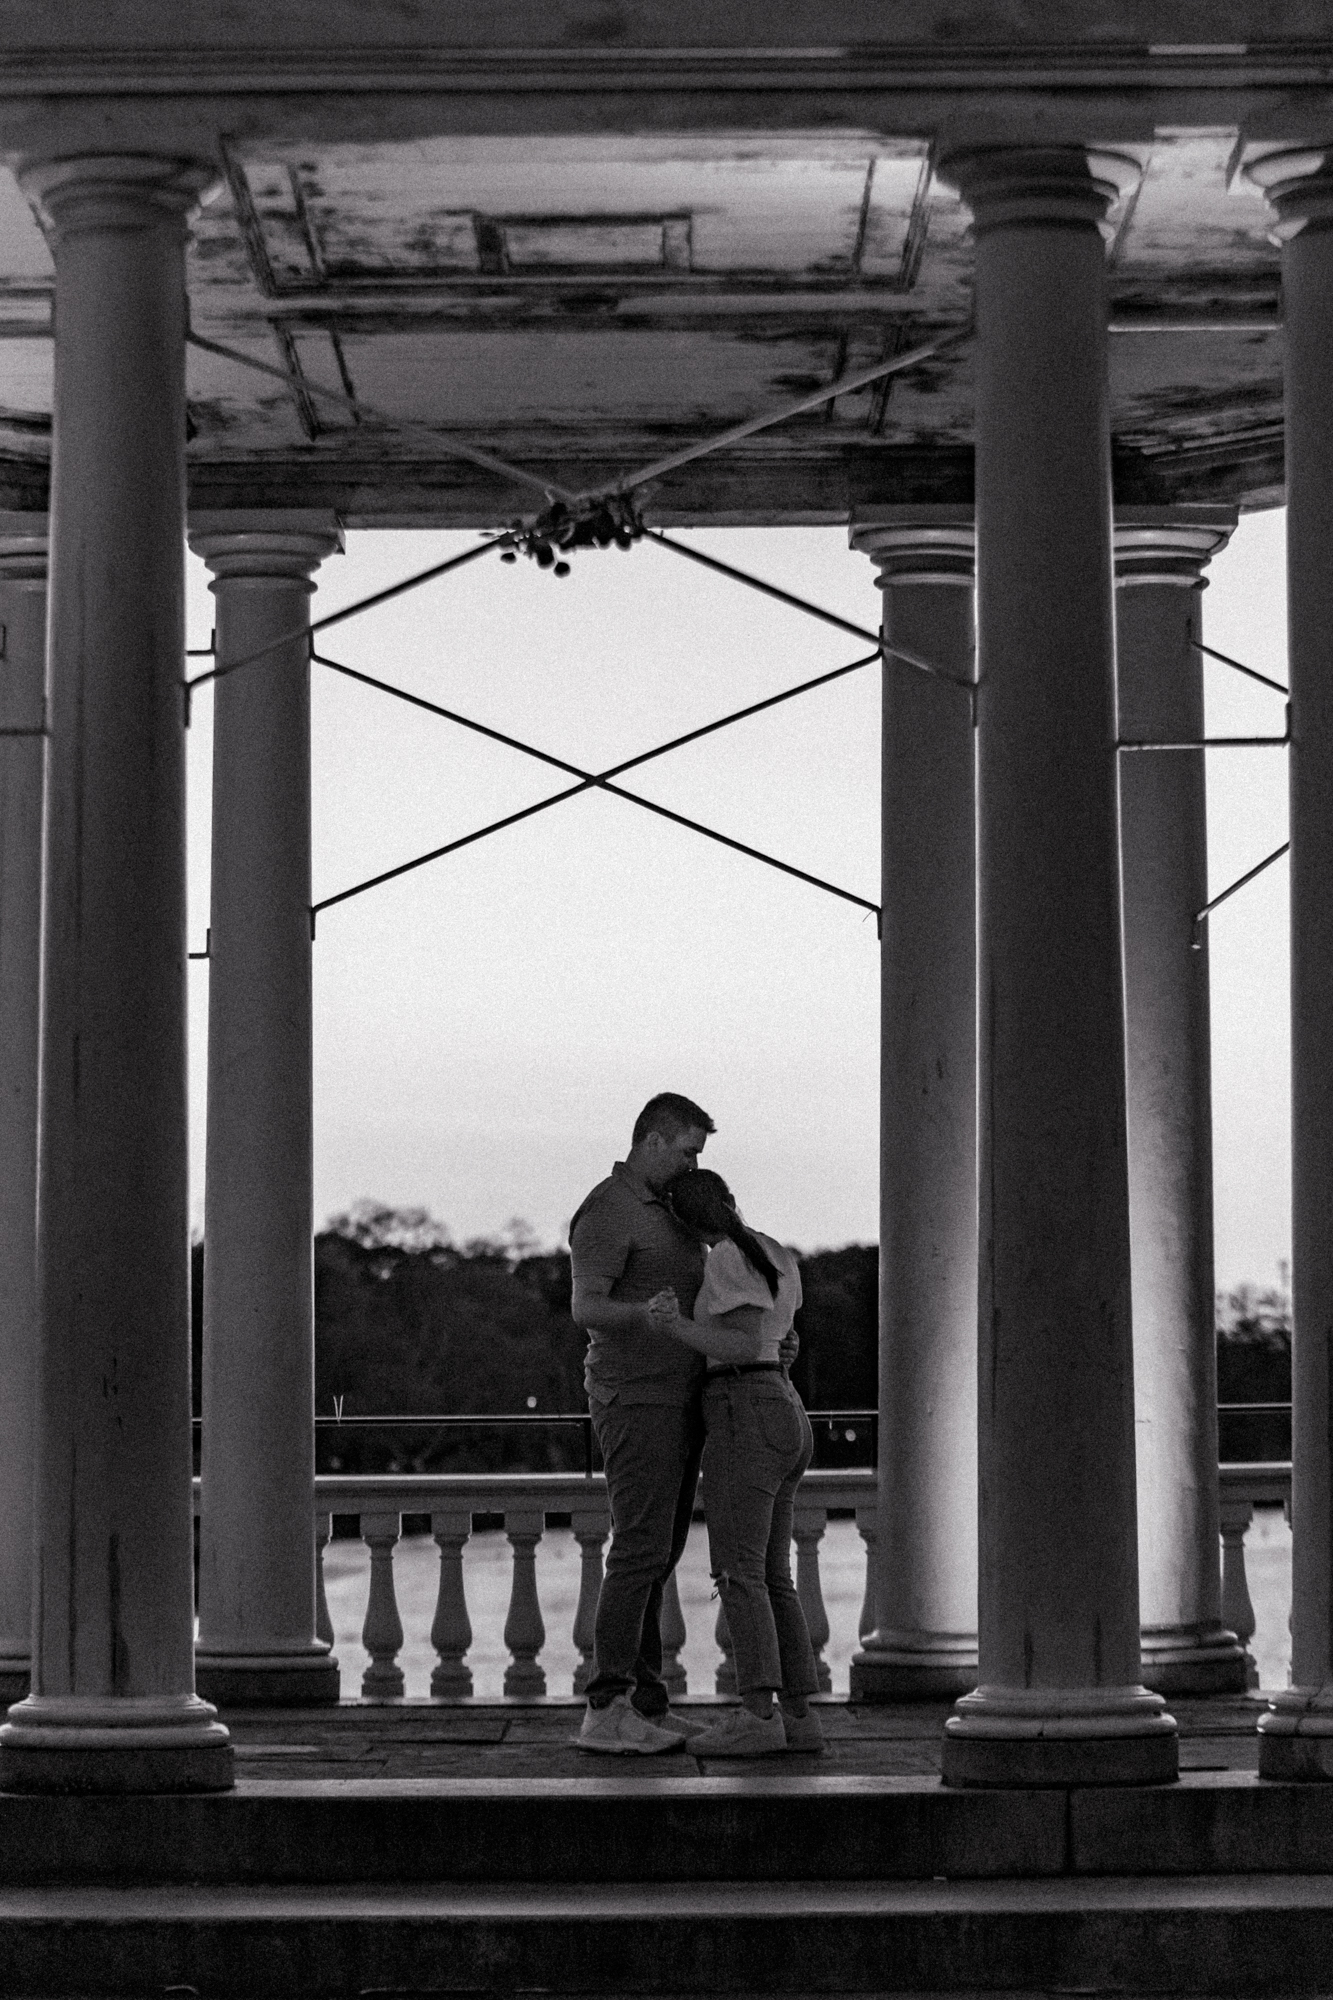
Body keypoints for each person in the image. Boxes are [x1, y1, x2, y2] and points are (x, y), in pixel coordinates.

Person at [648, 1168, 824, 1757]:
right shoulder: (773, 1251)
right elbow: (780, 1339)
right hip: (784, 1409)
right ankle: (798, 1717)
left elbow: (743, 1344)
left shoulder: (724, 1256)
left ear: (686, 1222)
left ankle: (757, 1715)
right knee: (774, 1576)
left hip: (744, 1408)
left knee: (739, 1573)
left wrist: (677, 1326)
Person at [568, 1092, 716, 1753]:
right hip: (633, 1398)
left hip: (681, 1397)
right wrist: (645, 1317)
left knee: (660, 1554)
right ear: (652, 1141)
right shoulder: (607, 1208)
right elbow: (585, 1306)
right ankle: (606, 1709)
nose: (693, 1166)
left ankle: (646, 1705)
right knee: (637, 1550)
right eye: (687, 1151)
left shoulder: (671, 1212)